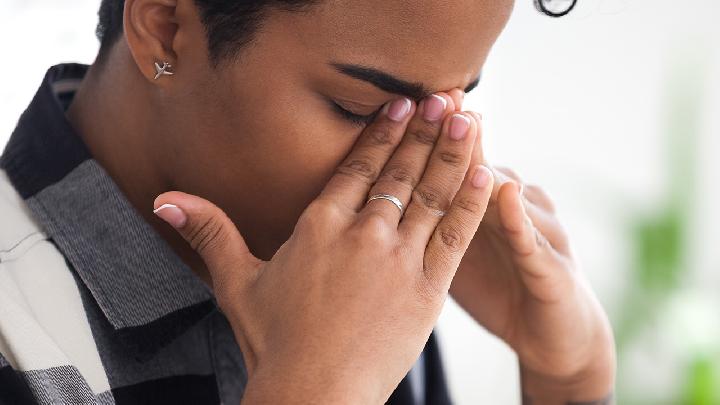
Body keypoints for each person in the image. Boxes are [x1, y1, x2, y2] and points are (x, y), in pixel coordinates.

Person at [0, 0, 615, 403]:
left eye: (448, 106)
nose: (415, 162)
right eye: (361, 109)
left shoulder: (365, 271)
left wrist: (570, 378)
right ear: (165, 27)